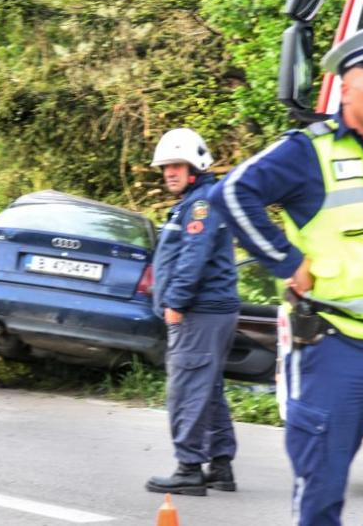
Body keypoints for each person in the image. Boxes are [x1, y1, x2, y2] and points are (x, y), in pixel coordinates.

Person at [210, 23, 363, 525]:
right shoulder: (309, 151)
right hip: (335, 350)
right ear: (346, 88)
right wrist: (285, 260)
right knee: (322, 498)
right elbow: (233, 194)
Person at [145, 128, 241, 497]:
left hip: (198, 311)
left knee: (186, 388)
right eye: (165, 166)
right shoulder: (196, 202)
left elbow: (192, 258)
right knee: (209, 388)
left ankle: (189, 467)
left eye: (176, 165)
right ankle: (220, 466)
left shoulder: (200, 205)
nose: (169, 172)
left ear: (195, 166)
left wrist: (176, 303)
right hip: (212, 310)